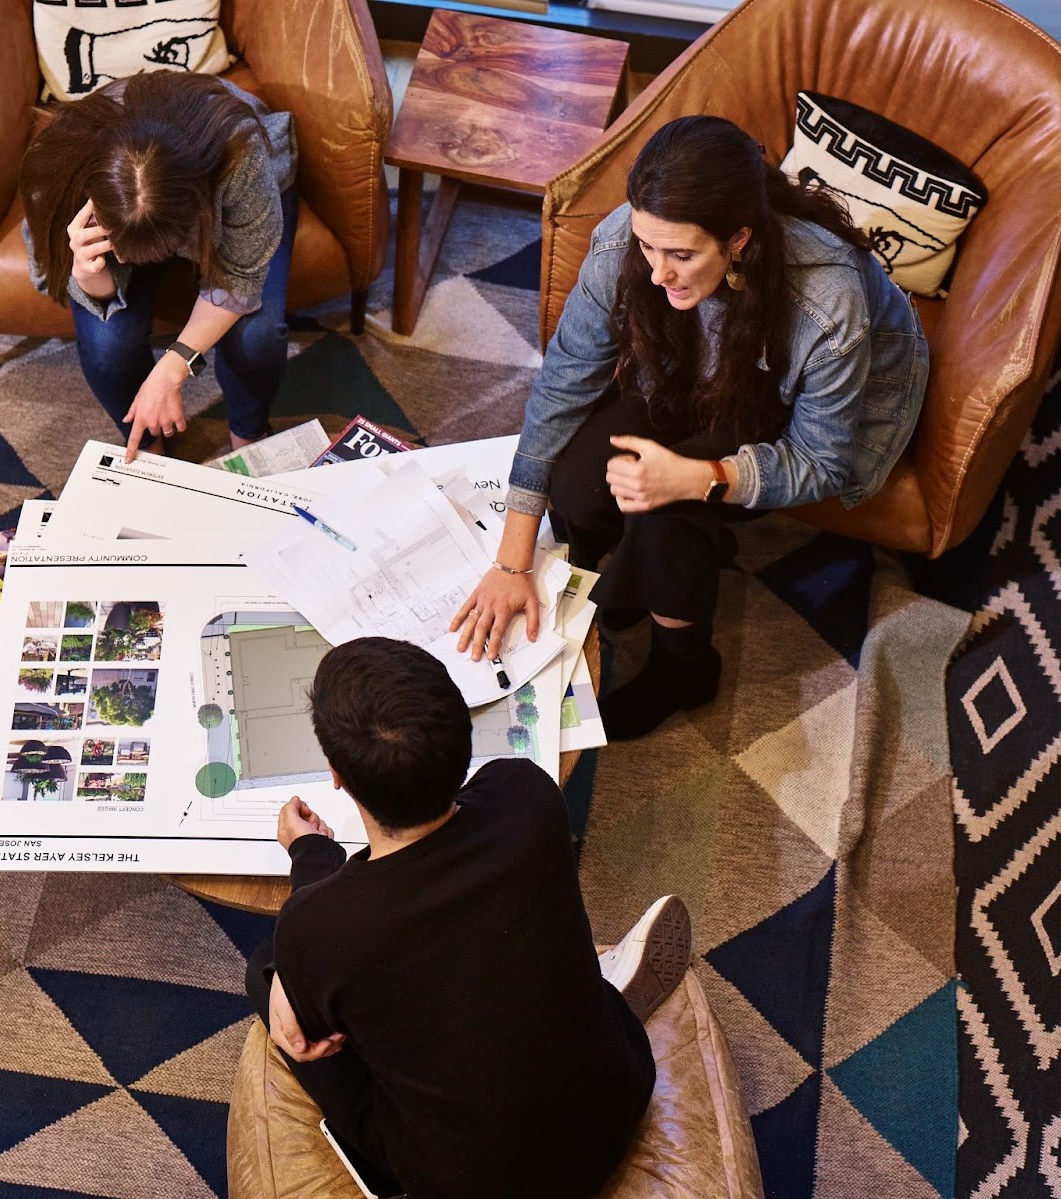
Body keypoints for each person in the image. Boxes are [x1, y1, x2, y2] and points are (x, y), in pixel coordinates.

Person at [451, 116, 929, 740]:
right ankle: (616, 584)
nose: (656, 273)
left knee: (666, 515)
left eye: (680, 255)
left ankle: (687, 667)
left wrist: (700, 476)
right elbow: (565, 380)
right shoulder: (629, 238)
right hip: (698, 367)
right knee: (577, 479)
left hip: (802, 407)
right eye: (648, 248)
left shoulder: (825, 301)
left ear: (739, 240)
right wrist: (513, 564)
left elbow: (824, 459)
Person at [245, 637, 693, 1199]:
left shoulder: (320, 926)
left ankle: (380, 1176)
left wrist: (311, 856)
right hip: (621, 1095)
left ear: (337, 775)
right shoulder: (526, 792)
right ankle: (594, 993)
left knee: (265, 968)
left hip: (469, 1182)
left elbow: (312, 954)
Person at [19, 70, 298, 462]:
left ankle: (248, 435)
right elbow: (54, 275)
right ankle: (146, 445)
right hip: (124, 190)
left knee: (258, 335)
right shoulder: (55, 167)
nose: (136, 262)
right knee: (105, 346)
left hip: (227, 184)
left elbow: (241, 276)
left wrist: (174, 365)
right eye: (125, 248)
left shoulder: (240, 156)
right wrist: (87, 272)